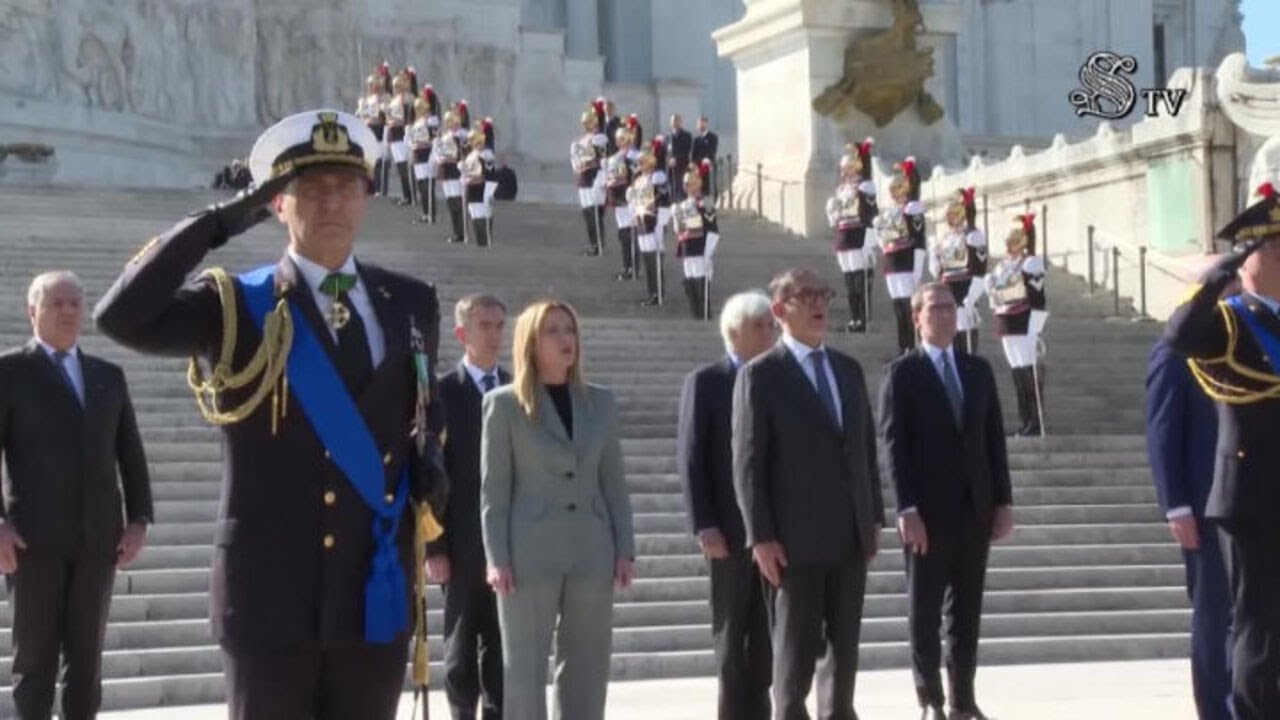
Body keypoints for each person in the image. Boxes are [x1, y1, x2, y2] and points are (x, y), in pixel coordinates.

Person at [93, 109, 448, 719]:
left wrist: (432, 469)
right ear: (277, 204)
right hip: (270, 596)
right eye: (311, 188)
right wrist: (218, 223)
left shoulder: (411, 303)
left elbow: (419, 411)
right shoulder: (234, 304)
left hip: (374, 593)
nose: (330, 201)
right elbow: (121, 316)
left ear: (366, 196)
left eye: (345, 186)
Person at [733, 267, 885, 720]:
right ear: (779, 311)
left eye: (824, 294)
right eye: (806, 296)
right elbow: (748, 461)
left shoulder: (848, 369)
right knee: (795, 655)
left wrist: (872, 517)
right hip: (793, 542)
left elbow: (863, 448)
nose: (819, 304)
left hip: (849, 535)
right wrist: (759, 535)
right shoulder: (762, 375)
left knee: (844, 652)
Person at [0, 271, 153, 720]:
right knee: (34, 662)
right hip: (33, 541)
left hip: (98, 540)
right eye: (56, 303)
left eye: (75, 303)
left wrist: (139, 518)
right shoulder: (9, 372)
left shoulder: (108, 376)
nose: (68, 311)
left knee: (87, 663)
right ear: (33, 311)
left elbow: (131, 452)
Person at [480, 300, 635, 720]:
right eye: (553, 331)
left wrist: (625, 547)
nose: (566, 339)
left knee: (587, 665)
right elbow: (493, 491)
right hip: (529, 554)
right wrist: (497, 558)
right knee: (524, 668)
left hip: (592, 548)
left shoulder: (600, 402)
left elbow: (614, 482)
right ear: (530, 342)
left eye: (570, 329)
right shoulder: (504, 405)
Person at [1166, 180, 1280, 720]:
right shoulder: (1231, 321)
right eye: (1278, 246)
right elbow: (1182, 334)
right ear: (1257, 256)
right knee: (1259, 626)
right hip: (1252, 498)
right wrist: (1217, 278)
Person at [879, 281, 1014, 720]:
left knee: (967, 612)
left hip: (974, 509)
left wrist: (1003, 501)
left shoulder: (977, 370)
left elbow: (993, 439)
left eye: (949, 307)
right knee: (925, 612)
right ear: (916, 317)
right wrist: (906, 509)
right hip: (927, 515)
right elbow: (894, 447)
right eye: (934, 308)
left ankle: (963, 698)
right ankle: (930, 699)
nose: (944, 314)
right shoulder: (903, 373)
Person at [677, 290, 776, 720]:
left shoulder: (777, 381)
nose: (771, 333)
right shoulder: (708, 381)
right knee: (733, 637)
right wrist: (704, 524)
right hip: (729, 534)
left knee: (768, 640)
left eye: (772, 325)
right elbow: (692, 457)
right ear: (734, 333)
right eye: (761, 326)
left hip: (774, 532)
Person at [1147, 308, 1234, 720]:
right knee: (1214, 609)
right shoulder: (1176, 352)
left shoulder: (1244, 349)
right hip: (1203, 506)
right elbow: (1162, 429)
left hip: (1252, 501)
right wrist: (1175, 504)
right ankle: (1216, 707)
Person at [428, 294, 510, 720]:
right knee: (461, 646)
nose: (494, 335)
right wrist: (434, 546)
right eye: (485, 326)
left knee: (503, 644)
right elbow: (430, 473)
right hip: (461, 541)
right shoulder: (442, 393)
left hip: (511, 544)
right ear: (462, 334)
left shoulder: (519, 390)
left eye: (499, 325)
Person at [984, 214, 1048, 436]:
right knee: (1017, 372)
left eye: (1013, 242)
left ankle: (1035, 419)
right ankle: (1025, 418)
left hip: (1023, 320)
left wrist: (1036, 326)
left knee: (1028, 369)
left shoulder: (1030, 263)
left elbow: (1038, 297)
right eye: (1007, 243)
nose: (1008, 247)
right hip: (1006, 321)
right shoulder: (1004, 265)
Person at [874, 157, 926, 355]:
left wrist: (917, 268)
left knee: (908, 307)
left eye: (899, 188)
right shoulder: (891, 211)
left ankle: (912, 346)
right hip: (892, 261)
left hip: (906, 261)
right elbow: (883, 239)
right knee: (898, 307)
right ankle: (903, 345)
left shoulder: (913, 208)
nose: (896, 194)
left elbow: (918, 238)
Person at [825, 139, 877, 333]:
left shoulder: (865, 187)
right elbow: (836, 216)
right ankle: (854, 317)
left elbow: (871, 214)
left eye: (846, 168)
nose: (843, 172)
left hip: (858, 235)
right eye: (842, 169)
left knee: (859, 278)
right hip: (844, 235)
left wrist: (869, 242)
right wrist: (832, 211)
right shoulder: (841, 190)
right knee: (849, 280)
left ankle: (863, 318)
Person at [930, 188, 988, 355]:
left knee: (964, 328)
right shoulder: (945, 238)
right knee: (950, 329)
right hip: (948, 288)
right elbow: (937, 270)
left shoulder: (972, 236)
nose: (950, 219)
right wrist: (934, 255)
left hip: (965, 286)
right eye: (949, 216)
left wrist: (972, 295)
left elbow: (979, 269)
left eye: (955, 215)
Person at [672, 159, 720, 320]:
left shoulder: (705, 202)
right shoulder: (682, 205)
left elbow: (711, 227)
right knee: (689, 278)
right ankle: (696, 311)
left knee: (700, 276)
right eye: (686, 184)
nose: (687, 187)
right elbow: (679, 228)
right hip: (687, 245)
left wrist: (708, 251)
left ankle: (704, 312)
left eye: (690, 184)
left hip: (700, 245)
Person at [570, 100, 609, 256]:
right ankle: (593, 243)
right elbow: (576, 160)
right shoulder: (581, 141)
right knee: (587, 214)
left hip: (595, 176)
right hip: (584, 177)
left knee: (595, 213)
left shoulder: (600, 138)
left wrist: (603, 179)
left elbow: (603, 159)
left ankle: (599, 244)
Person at [627, 149, 663, 307]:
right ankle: (652, 292)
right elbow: (634, 199)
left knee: (653, 258)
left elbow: (660, 197)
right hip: (641, 218)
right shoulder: (638, 180)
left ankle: (657, 292)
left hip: (651, 219)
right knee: (647, 258)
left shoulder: (655, 178)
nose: (640, 166)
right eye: (639, 163)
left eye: (643, 163)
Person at [604, 125, 637, 280]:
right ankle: (632, 265)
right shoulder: (638, 156)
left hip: (625, 199)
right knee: (631, 234)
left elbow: (617, 182)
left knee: (626, 235)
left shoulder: (616, 159)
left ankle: (629, 267)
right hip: (636, 200)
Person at [383, 67, 418, 206]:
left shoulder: (409, 98)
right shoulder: (394, 99)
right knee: (400, 167)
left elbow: (411, 116)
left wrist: (409, 131)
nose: (396, 88)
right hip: (393, 133)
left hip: (402, 132)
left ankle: (411, 196)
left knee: (406, 166)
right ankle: (406, 195)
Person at [355, 63, 390, 196]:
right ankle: (372, 187)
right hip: (368, 130)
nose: (373, 88)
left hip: (380, 130)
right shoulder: (364, 100)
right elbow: (359, 115)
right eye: (371, 86)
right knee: (370, 161)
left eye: (375, 85)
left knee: (381, 160)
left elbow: (387, 114)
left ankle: (382, 188)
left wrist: (381, 107)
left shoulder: (385, 98)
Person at [409, 85, 442, 225]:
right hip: (418, 153)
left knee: (427, 186)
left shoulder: (432, 120)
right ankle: (425, 212)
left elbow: (435, 139)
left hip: (427, 154)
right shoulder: (419, 121)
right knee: (421, 185)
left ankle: (431, 214)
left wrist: (433, 156)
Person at [436, 105, 469, 244]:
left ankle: (461, 233)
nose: (451, 125)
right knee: (451, 203)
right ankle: (456, 231)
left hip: (456, 171)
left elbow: (464, 154)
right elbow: (438, 151)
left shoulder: (463, 135)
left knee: (457, 203)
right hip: (446, 170)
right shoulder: (445, 136)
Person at [461, 124, 492, 247]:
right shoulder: (472, 155)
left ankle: (483, 241)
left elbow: (481, 173)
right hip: (471, 186)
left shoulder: (482, 156)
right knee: (474, 213)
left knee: (479, 214)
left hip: (478, 187)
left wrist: (466, 172)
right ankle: (480, 240)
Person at [666, 114, 693, 200]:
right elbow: (666, 151)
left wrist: (676, 159)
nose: (674, 123)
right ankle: (672, 201)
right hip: (670, 167)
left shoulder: (687, 135)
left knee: (682, 188)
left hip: (682, 166)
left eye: (676, 121)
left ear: (680, 122)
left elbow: (686, 150)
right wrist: (669, 160)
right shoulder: (668, 136)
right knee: (672, 188)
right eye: (673, 121)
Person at [691, 117, 720, 196]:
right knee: (700, 186)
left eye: (702, 123)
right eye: (699, 124)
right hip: (699, 167)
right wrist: (695, 164)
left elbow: (712, 150)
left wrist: (707, 159)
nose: (701, 125)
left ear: (706, 124)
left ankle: (713, 204)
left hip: (709, 166)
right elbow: (694, 154)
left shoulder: (713, 137)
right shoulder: (696, 139)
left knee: (711, 186)